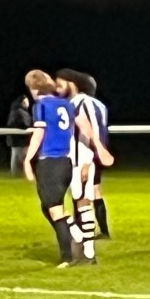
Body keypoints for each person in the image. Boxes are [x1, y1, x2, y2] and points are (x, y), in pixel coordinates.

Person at [55, 69, 115, 263]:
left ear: (72, 83)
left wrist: (88, 163)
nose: (57, 88)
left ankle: (86, 248)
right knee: (81, 203)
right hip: (78, 159)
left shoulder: (83, 103)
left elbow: (92, 133)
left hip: (82, 159)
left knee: (74, 203)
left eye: (60, 83)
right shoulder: (91, 103)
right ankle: (86, 250)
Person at [22, 70, 76, 267]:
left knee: (54, 210)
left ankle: (68, 256)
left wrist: (27, 159)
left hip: (50, 163)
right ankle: (73, 238)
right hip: (65, 162)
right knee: (48, 206)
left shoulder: (41, 105)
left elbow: (40, 133)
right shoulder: (66, 104)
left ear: (34, 88)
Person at [78, 72, 112, 238]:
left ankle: (83, 230)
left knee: (81, 193)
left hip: (88, 152)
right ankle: (103, 231)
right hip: (99, 151)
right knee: (95, 191)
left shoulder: (81, 103)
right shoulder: (100, 105)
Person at [6, 95, 32, 177]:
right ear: (22, 102)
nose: (28, 103)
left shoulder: (17, 111)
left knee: (17, 156)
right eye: (26, 101)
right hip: (18, 138)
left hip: (17, 138)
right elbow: (26, 123)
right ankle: (18, 173)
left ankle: (17, 173)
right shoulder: (19, 111)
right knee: (20, 157)